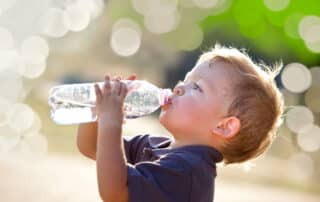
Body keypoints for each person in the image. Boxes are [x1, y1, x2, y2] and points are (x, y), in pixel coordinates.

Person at [76, 44, 284, 202]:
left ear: (224, 126)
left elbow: (114, 192)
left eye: (197, 87)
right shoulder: (157, 146)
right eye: (185, 80)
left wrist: (112, 122)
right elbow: (92, 147)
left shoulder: (188, 171)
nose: (178, 88)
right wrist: (98, 112)